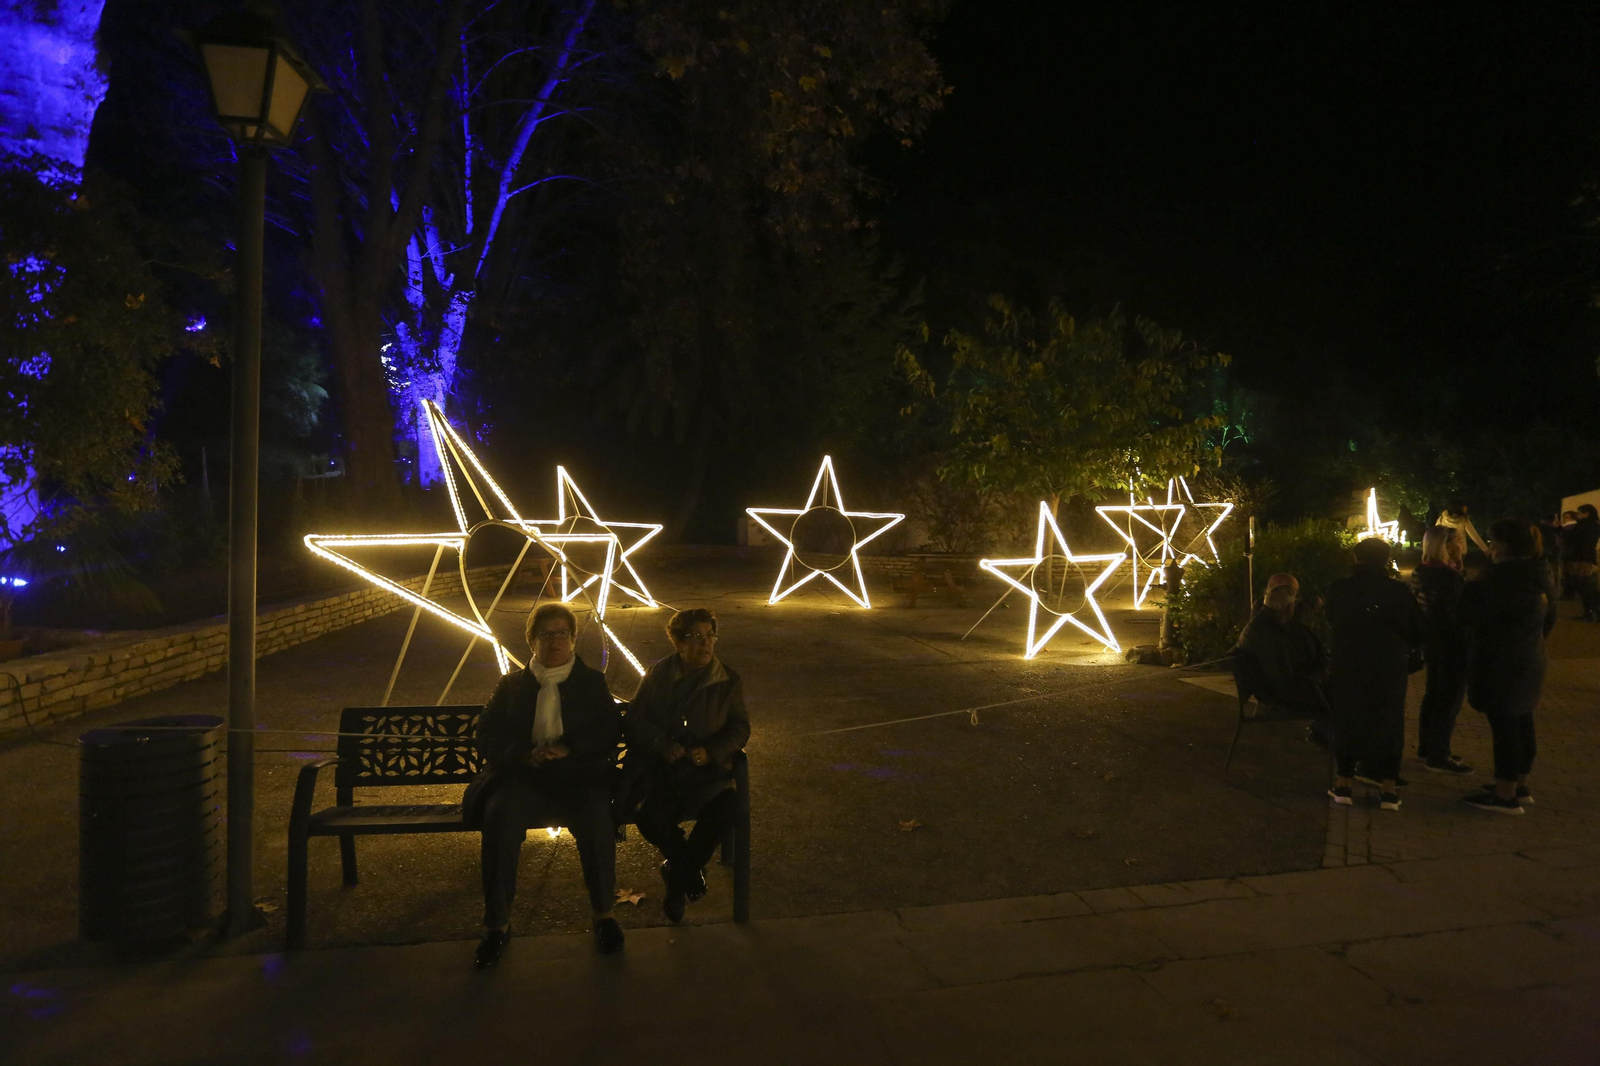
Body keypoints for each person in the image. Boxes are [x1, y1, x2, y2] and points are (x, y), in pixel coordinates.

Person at [465, 603, 624, 968]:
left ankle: (605, 916)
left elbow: (609, 730)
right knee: (500, 820)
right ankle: (497, 925)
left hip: (578, 777)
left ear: (573, 639)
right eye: (546, 634)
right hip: (524, 777)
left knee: (598, 820)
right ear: (532, 641)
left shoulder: (591, 683)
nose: (555, 641)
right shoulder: (511, 686)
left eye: (562, 634)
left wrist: (571, 749)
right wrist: (523, 754)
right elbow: (486, 735)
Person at [623, 608, 749, 923]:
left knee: (725, 811)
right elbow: (636, 719)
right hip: (664, 772)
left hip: (707, 774)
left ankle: (677, 877)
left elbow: (739, 728)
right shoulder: (658, 676)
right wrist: (662, 745)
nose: (705, 644)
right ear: (678, 643)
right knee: (651, 818)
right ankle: (688, 875)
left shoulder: (728, 680)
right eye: (695, 637)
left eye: (709, 636)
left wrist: (712, 751)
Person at [1460, 519, 1556, 814]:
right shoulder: (1540, 573)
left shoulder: (1501, 578)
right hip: (1529, 657)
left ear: (1506, 547)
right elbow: (1550, 619)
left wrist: (1476, 582)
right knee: (1522, 721)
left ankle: (1505, 795)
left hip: (1501, 660)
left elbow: (1469, 613)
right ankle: (1518, 783)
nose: (1490, 548)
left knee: (1505, 728)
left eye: (1493, 543)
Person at [1324, 537, 1425, 812]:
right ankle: (1388, 790)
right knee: (1389, 721)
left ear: (1356, 559)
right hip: (1388, 665)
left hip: (1349, 664)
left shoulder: (1340, 589)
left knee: (1348, 718)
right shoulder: (1398, 592)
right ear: (1385, 560)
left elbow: (1331, 618)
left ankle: (1344, 783)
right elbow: (1418, 628)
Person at [1234, 572, 1330, 743]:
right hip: (1281, 694)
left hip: (1275, 689)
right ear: (1287, 607)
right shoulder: (1270, 632)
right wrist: (1317, 674)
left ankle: (1327, 736)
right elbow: (1283, 677)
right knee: (1347, 694)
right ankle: (1334, 742)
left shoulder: (1265, 625)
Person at [1410, 527, 1472, 774]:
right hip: (1452, 644)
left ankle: (1427, 747)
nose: (1461, 546)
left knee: (1433, 694)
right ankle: (1439, 754)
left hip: (1432, 642)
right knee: (1450, 699)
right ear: (1446, 546)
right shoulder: (1451, 577)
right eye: (1457, 542)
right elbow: (1458, 614)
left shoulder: (1420, 571)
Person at [1561, 504, 1600, 621]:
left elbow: (1572, 540)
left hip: (1580, 560)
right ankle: (1591, 613)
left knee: (1586, 589)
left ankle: (1590, 613)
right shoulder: (1595, 525)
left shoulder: (1582, 526)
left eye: (1579, 513)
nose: (1577, 516)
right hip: (1589, 559)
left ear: (1586, 513)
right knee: (1589, 588)